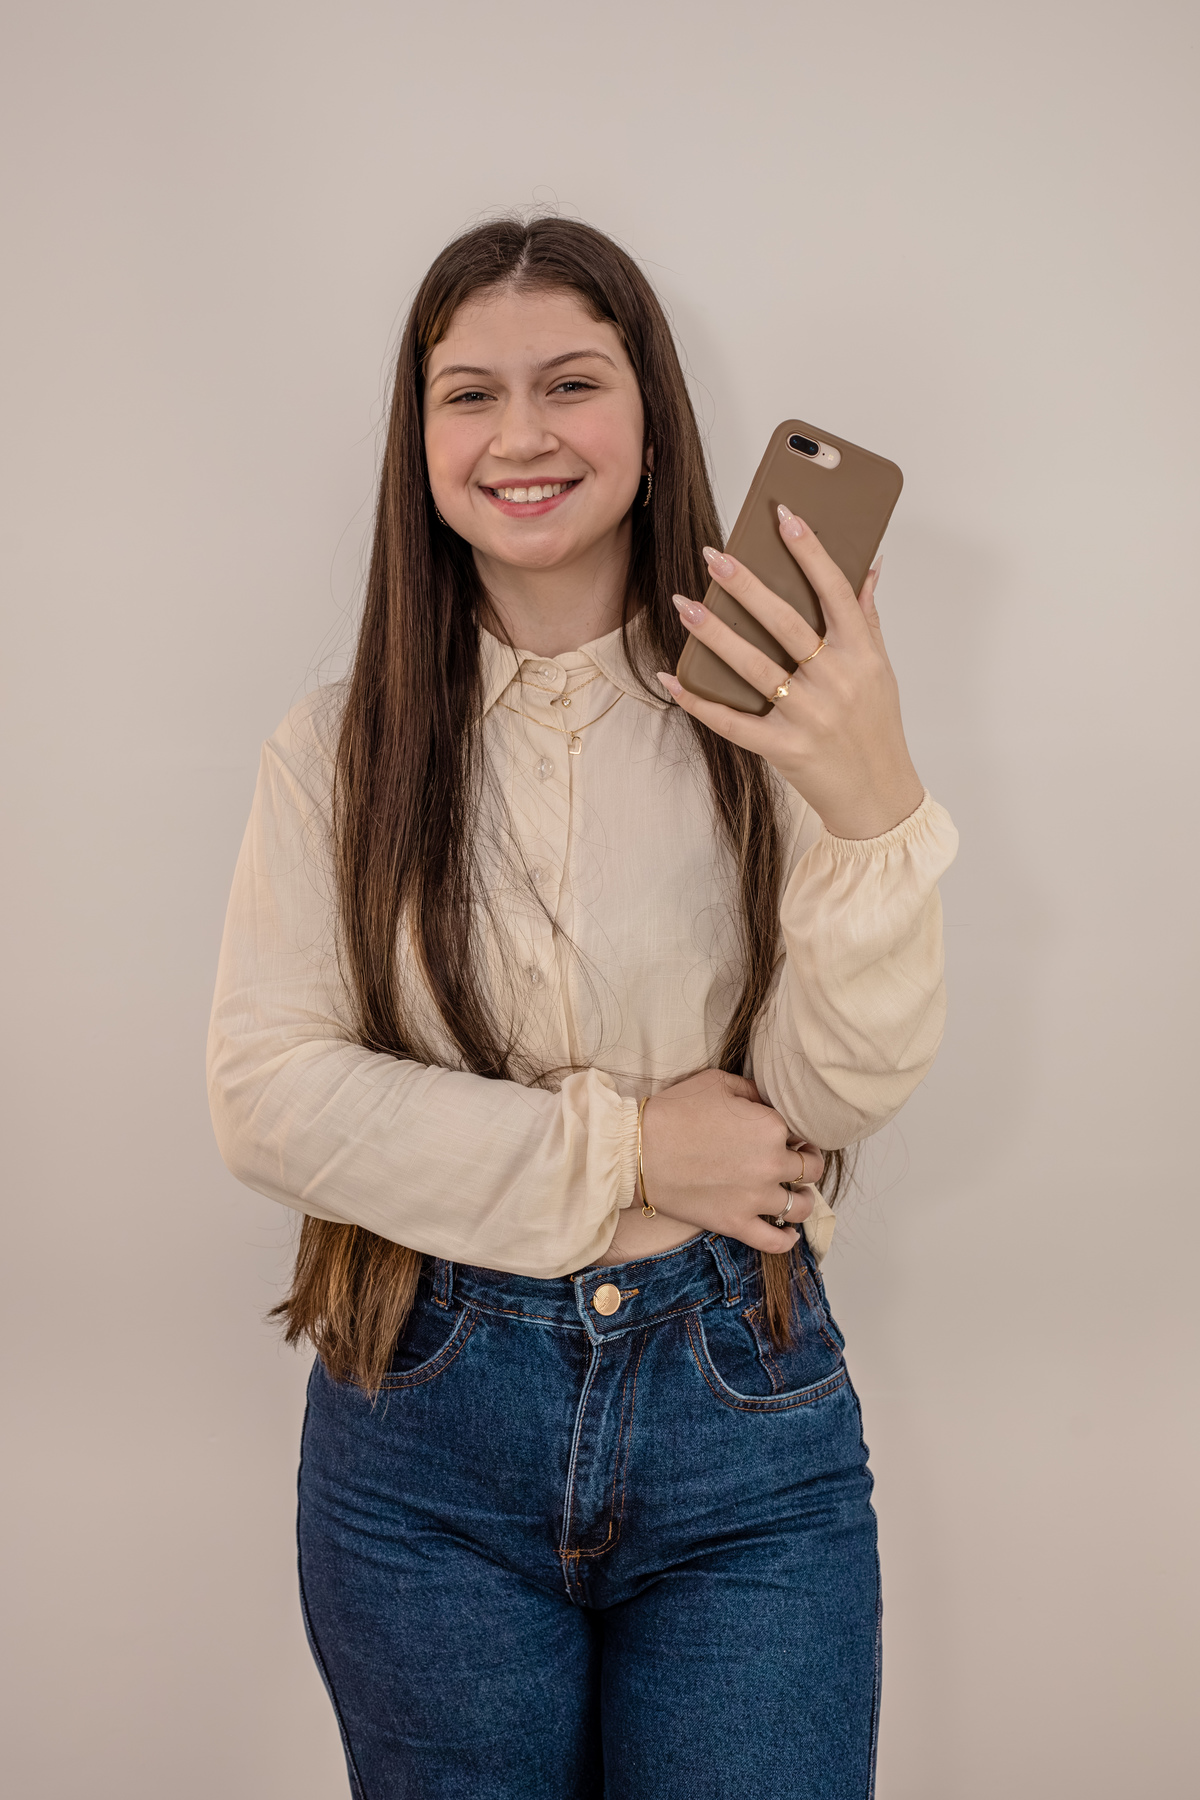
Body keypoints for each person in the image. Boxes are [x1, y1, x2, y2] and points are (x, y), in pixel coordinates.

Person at [207, 215, 958, 1800]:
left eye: (571, 383)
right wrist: (628, 1151)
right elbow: (266, 1096)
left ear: (651, 417)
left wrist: (874, 800)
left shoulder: (776, 723)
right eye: (470, 395)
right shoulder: (336, 750)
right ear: (420, 441)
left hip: (740, 1408)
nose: (523, 435)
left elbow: (833, 1097)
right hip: (420, 1428)